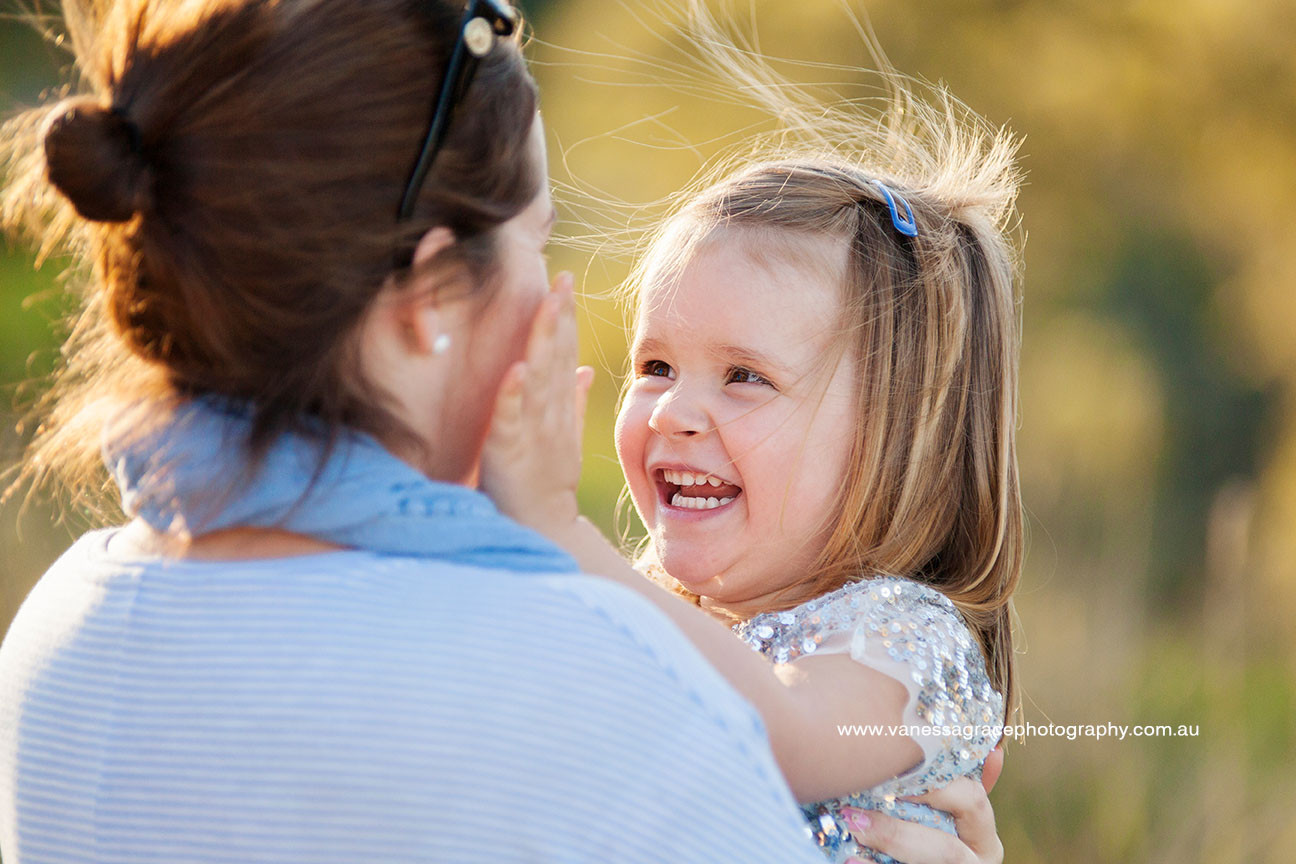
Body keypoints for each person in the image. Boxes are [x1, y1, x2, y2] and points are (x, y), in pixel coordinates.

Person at [0, 0, 1003, 861]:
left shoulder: (58, 624)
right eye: (538, 240)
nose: (673, 409)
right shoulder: (570, 667)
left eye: (747, 377)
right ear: (433, 293)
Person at [479, 66, 1023, 864]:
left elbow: (780, 736)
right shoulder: (676, 615)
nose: (671, 412)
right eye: (655, 367)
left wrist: (560, 529)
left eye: (745, 377)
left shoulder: (907, 639)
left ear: (893, 435)